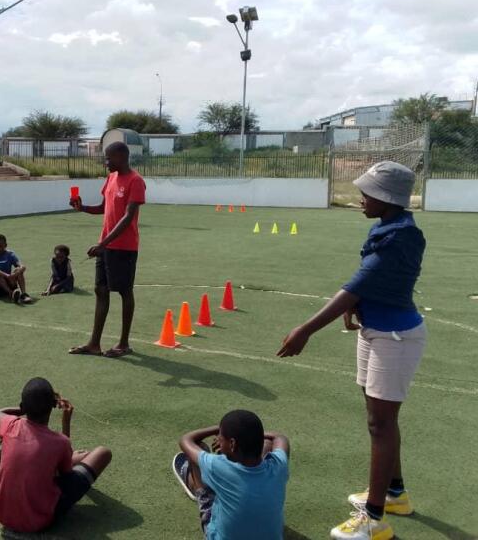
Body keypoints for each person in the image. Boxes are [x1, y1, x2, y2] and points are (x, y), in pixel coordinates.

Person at [277, 161, 426, 540]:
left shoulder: (401, 237)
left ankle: (374, 520)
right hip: (376, 331)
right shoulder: (388, 228)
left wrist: (305, 330)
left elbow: (359, 284)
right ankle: (395, 494)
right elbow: (376, 285)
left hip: (395, 338)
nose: (361, 199)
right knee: (378, 418)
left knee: (381, 423)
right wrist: (356, 310)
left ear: (387, 199)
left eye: (368, 194)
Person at [0, 377, 112, 533]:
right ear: (53, 406)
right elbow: (66, 475)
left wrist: (24, 409)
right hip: (38, 521)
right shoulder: (60, 442)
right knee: (103, 453)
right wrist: (66, 423)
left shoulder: (11, 424)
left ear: (23, 407)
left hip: (2, 515)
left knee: (5, 444)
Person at [69, 141, 146, 358]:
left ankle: (124, 343)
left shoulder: (135, 181)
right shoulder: (111, 178)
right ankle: (94, 343)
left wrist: (103, 244)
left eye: (108, 158)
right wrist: (82, 207)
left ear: (121, 157)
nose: (106, 163)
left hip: (124, 247)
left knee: (124, 291)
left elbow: (127, 217)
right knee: (100, 290)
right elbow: (104, 208)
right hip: (106, 245)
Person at [173, 410, 290, 539]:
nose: (218, 439)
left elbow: (187, 440)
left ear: (233, 444)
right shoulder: (279, 465)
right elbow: (280, 437)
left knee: (198, 451)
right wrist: (248, 435)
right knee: (268, 444)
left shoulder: (219, 466)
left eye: (220, 437)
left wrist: (218, 427)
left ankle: (193, 483)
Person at [0, 234, 33, 304]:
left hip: (7, 282)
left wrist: (18, 271)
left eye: (0, 246)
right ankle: (11, 293)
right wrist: (6, 275)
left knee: (18, 270)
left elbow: (22, 266)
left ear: (5, 245)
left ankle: (24, 294)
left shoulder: (10, 254)